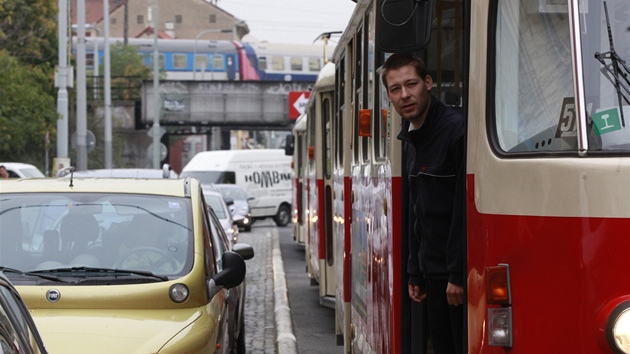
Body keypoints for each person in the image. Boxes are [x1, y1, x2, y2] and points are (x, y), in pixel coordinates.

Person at [382, 52, 465, 354]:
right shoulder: (411, 138)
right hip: (432, 274)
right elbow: (417, 211)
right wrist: (414, 271)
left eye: (411, 84)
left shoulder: (456, 131)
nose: (405, 95)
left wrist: (457, 274)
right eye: (395, 89)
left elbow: (463, 209)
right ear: (389, 96)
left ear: (428, 83)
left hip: (454, 279)